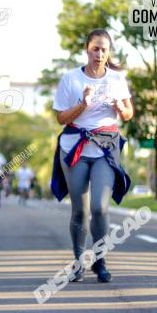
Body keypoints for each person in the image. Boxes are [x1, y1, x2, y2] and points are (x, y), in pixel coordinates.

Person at [51, 29, 134, 283]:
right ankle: (78, 263)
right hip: (75, 147)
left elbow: (128, 114)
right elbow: (60, 118)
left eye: (104, 50)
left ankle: (100, 260)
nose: (99, 54)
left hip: (105, 147)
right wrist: (82, 105)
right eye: (95, 48)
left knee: (99, 207)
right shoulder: (71, 79)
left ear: (109, 53)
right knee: (80, 211)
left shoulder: (117, 79)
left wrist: (120, 108)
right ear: (87, 49)